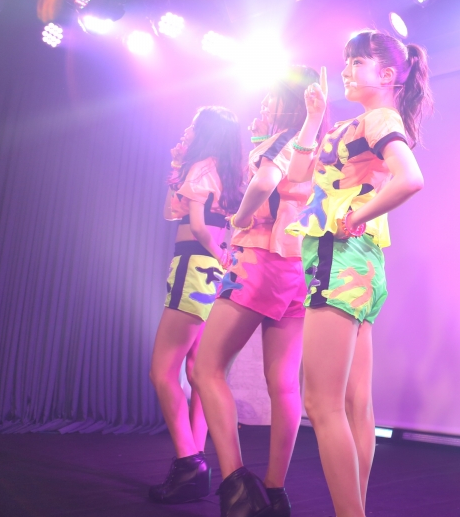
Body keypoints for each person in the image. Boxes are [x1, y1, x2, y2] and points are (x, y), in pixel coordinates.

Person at [286, 30, 431, 517]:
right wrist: (313, 117)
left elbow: (410, 178)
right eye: (346, 60)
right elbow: (297, 178)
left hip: (340, 259)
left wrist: (357, 216)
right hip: (358, 264)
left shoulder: (379, 118)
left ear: (387, 74)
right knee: (354, 404)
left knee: (322, 403)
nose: (346, 69)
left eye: (357, 61)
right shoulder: (359, 122)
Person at [192, 67, 321, 517]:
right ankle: (274, 491)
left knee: (206, 368)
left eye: (270, 96)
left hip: (259, 258)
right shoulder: (314, 142)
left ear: (287, 101)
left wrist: (238, 220)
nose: (263, 103)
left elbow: (264, 184)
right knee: (283, 383)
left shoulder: (283, 140)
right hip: (298, 268)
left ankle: (236, 486)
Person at [149, 106, 244, 504]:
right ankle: (195, 458)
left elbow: (199, 226)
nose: (186, 129)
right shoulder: (228, 171)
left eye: (193, 125)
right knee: (198, 368)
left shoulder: (203, 167)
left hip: (194, 264)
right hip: (213, 273)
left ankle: (189, 461)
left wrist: (216, 252)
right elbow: (175, 211)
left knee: (162, 370)